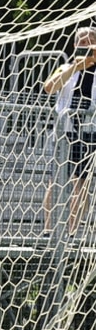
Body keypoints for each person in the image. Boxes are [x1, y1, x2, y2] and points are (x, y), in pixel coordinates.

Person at [42, 26, 96, 238]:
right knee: (55, 180)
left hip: (90, 132)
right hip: (65, 132)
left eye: (91, 41)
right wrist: (76, 67)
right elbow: (49, 87)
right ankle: (49, 229)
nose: (87, 45)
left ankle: (72, 231)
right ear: (74, 46)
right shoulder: (65, 67)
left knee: (81, 183)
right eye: (82, 41)